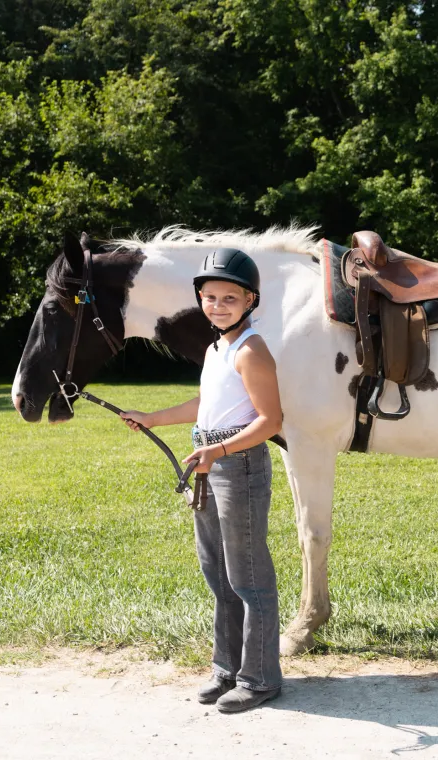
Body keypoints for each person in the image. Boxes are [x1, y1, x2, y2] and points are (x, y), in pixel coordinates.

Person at [119, 248, 284, 713]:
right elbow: (204, 405)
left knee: (249, 577)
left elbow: (271, 421)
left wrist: (221, 449)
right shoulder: (216, 348)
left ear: (250, 301)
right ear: (199, 299)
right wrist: (151, 417)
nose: (218, 305)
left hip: (239, 465)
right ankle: (227, 669)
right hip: (209, 465)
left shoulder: (252, 350)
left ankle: (260, 678)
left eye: (230, 298)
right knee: (218, 574)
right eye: (210, 297)